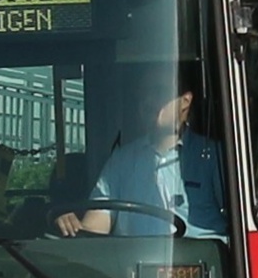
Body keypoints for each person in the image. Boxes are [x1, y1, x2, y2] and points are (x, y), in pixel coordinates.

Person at [63, 78, 224, 237]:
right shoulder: (121, 160)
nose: (148, 101)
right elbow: (96, 226)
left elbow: (240, 222)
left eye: (158, 92)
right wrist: (72, 227)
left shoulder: (213, 156)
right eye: (144, 94)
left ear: (185, 101)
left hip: (199, 259)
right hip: (131, 260)